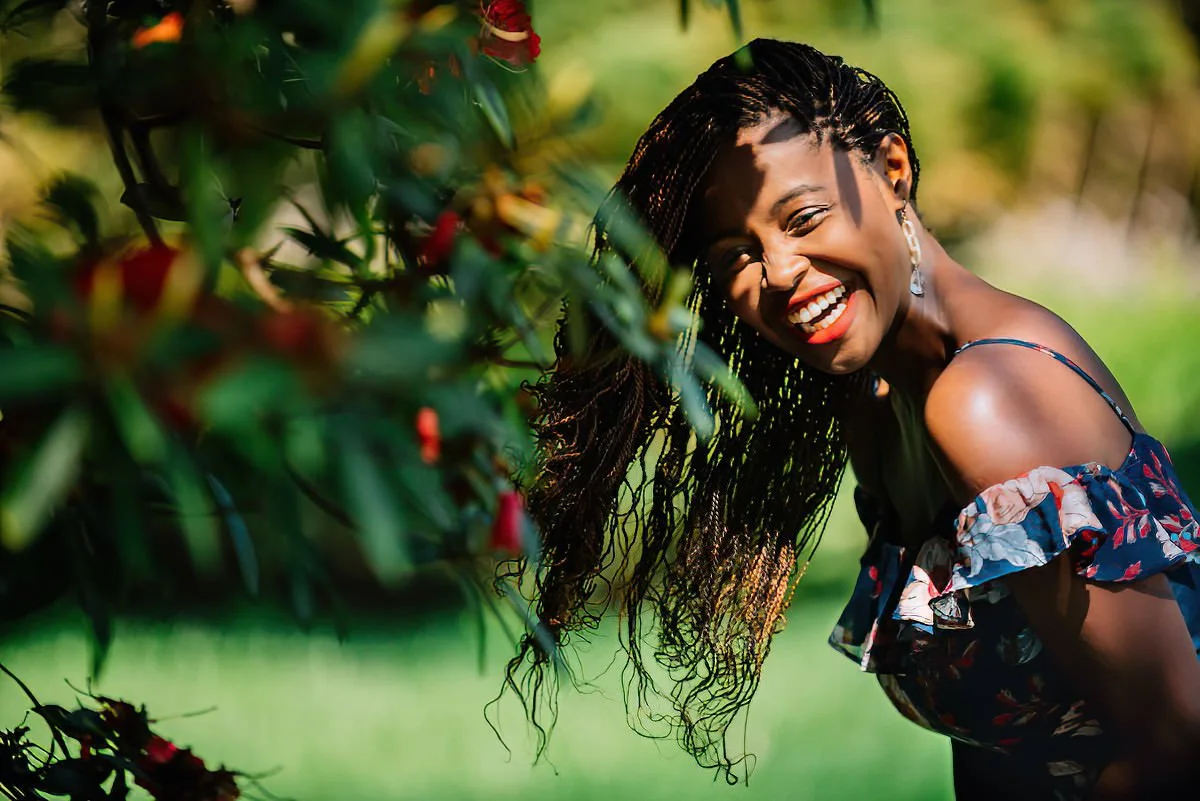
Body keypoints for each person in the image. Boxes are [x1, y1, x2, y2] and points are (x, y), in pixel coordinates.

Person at [505, 39, 1200, 800]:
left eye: (803, 217)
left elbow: (1174, 738)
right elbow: (1010, 736)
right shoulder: (877, 398)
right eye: (739, 252)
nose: (780, 273)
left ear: (893, 170)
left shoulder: (988, 399)